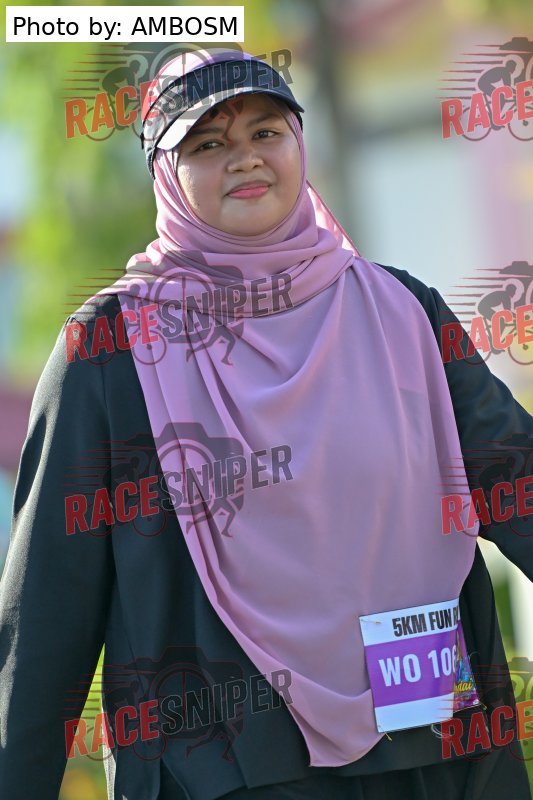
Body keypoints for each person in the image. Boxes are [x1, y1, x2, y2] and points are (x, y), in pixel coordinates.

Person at [0, 47, 532, 800]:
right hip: (226, 767)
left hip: (425, 742)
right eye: (207, 144)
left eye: (265, 133)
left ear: (297, 145)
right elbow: (50, 606)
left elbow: (515, 480)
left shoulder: (401, 310)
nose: (245, 158)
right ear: (165, 175)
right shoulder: (111, 350)